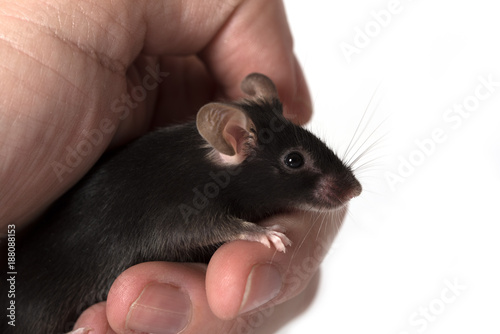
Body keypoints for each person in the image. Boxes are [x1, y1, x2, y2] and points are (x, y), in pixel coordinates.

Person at [0, 1, 341, 333]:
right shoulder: (185, 181)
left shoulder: (183, 167)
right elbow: (179, 225)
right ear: (232, 141)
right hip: (32, 304)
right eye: (294, 162)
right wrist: (247, 231)